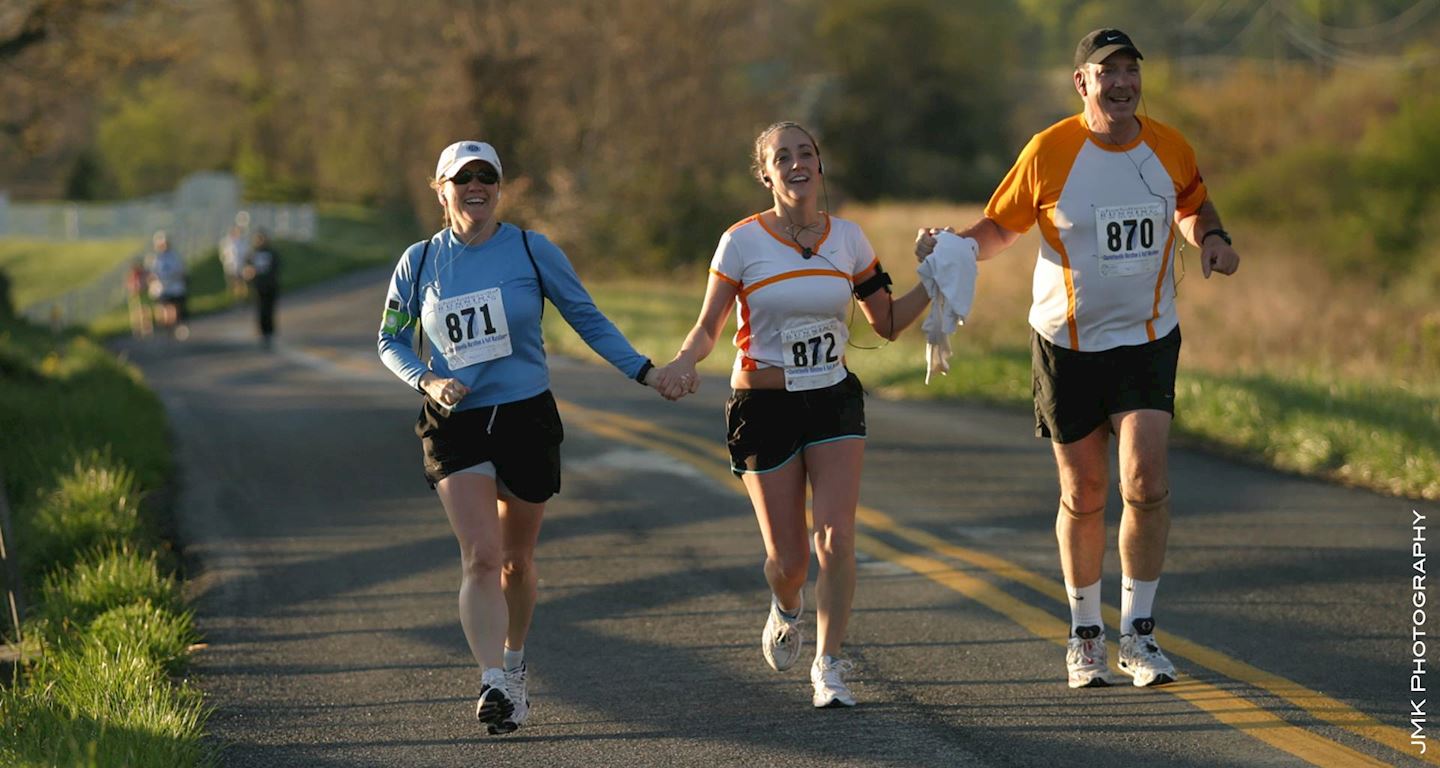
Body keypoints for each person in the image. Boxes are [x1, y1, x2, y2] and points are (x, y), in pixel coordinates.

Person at [915, 28, 1240, 690]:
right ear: (1082, 83)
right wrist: (947, 246)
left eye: (1129, 71)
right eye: (1106, 72)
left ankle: (1140, 637)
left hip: (1147, 337)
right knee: (1083, 491)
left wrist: (1211, 238)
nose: (1121, 83)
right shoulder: (1050, 151)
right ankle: (1086, 634)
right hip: (1067, 344)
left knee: (1145, 482)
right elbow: (1001, 227)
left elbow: (1192, 202)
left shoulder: (1167, 146)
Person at [377, 140, 683, 734]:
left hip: (525, 417)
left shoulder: (530, 249)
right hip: (456, 422)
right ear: (440, 189)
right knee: (481, 556)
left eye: (486, 176)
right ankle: (492, 679)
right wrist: (427, 379)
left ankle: (514, 663)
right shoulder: (418, 262)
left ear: (500, 187)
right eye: (462, 177)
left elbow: (587, 318)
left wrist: (646, 371)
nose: (476, 186)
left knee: (516, 560)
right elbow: (390, 339)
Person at [657, 121, 933, 708]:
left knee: (836, 536)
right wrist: (684, 361)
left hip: (832, 396)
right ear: (766, 173)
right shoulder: (740, 243)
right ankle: (786, 604)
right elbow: (709, 327)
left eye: (806, 153)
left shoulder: (850, 240)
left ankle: (829, 666)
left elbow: (885, 321)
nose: (797, 163)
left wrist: (935, 278)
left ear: (819, 166)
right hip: (763, 405)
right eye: (783, 157)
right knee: (790, 560)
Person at [146, 230, 189, 340]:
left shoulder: (174, 256)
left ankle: (172, 328)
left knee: (172, 308)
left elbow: (180, 270)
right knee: (163, 310)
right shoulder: (155, 258)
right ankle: (165, 328)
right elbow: (151, 274)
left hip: (174, 288)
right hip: (161, 289)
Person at [244, 229, 280, 349]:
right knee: (261, 310)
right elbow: (247, 270)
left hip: (270, 285)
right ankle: (263, 333)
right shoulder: (252, 254)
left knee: (269, 310)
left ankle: (270, 333)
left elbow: (276, 267)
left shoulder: (271, 253)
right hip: (258, 286)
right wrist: (249, 275)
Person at [219, 224, 250, 298]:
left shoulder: (243, 242)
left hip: (241, 266)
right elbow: (222, 255)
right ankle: (232, 297)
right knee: (231, 282)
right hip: (229, 266)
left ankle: (241, 297)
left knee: (241, 282)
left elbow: (246, 254)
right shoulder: (226, 242)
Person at [125, 258, 153, 338]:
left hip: (143, 293)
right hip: (135, 295)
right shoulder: (132, 274)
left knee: (145, 310)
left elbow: (150, 280)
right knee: (136, 312)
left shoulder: (145, 273)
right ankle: (137, 328)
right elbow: (129, 284)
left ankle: (147, 328)